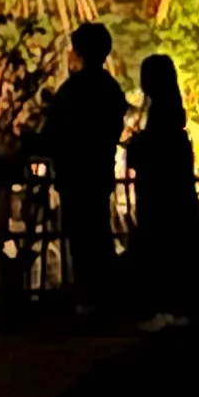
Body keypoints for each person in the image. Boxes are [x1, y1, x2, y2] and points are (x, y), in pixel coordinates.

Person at [34, 22, 128, 319]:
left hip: (76, 173)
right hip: (99, 171)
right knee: (98, 234)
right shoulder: (110, 88)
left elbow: (54, 132)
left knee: (82, 238)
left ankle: (89, 298)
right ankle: (105, 296)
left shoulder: (74, 90)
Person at [127, 51, 199, 318]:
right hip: (176, 196)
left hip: (159, 197)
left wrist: (136, 146)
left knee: (160, 248)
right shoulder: (172, 117)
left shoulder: (158, 118)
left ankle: (164, 309)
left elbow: (150, 153)